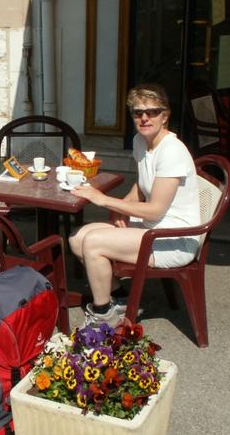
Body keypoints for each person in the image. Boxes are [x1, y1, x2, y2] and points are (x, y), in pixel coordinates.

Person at [68, 83, 200, 327]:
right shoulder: (142, 141)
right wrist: (122, 207)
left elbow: (155, 209)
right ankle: (118, 297)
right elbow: (142, 184)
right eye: (138, 112)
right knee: (77, 237)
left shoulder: (172, 151)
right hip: (153, 227)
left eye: (152, 112)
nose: (144, 117)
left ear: (165, 116)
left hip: (175, 238)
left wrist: (105, 199)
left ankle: (102, 315)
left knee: (93, 243)